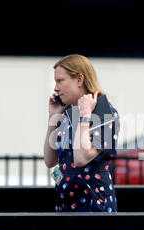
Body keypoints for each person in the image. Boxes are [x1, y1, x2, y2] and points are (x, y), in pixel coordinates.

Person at [43, 54, 120, 212]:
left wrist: (85, 116)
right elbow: (50, 160)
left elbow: (80, 158)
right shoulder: (69, 112)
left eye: (60, 81)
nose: (56, 88)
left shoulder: (104, 112)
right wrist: (53, 118)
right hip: (67, 202)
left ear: (79, 80)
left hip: (93, 204)